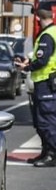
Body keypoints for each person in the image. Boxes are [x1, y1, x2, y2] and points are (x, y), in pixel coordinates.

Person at [19, 8, 56, 165]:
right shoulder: (53, 32)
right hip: (48, 82)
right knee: (42, 120)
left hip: (46, 82)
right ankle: (46, 152)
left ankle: (52, 155)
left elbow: (42, 60)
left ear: (38, 19)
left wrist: (26, 67)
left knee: (46, 120)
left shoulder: (47, 35)